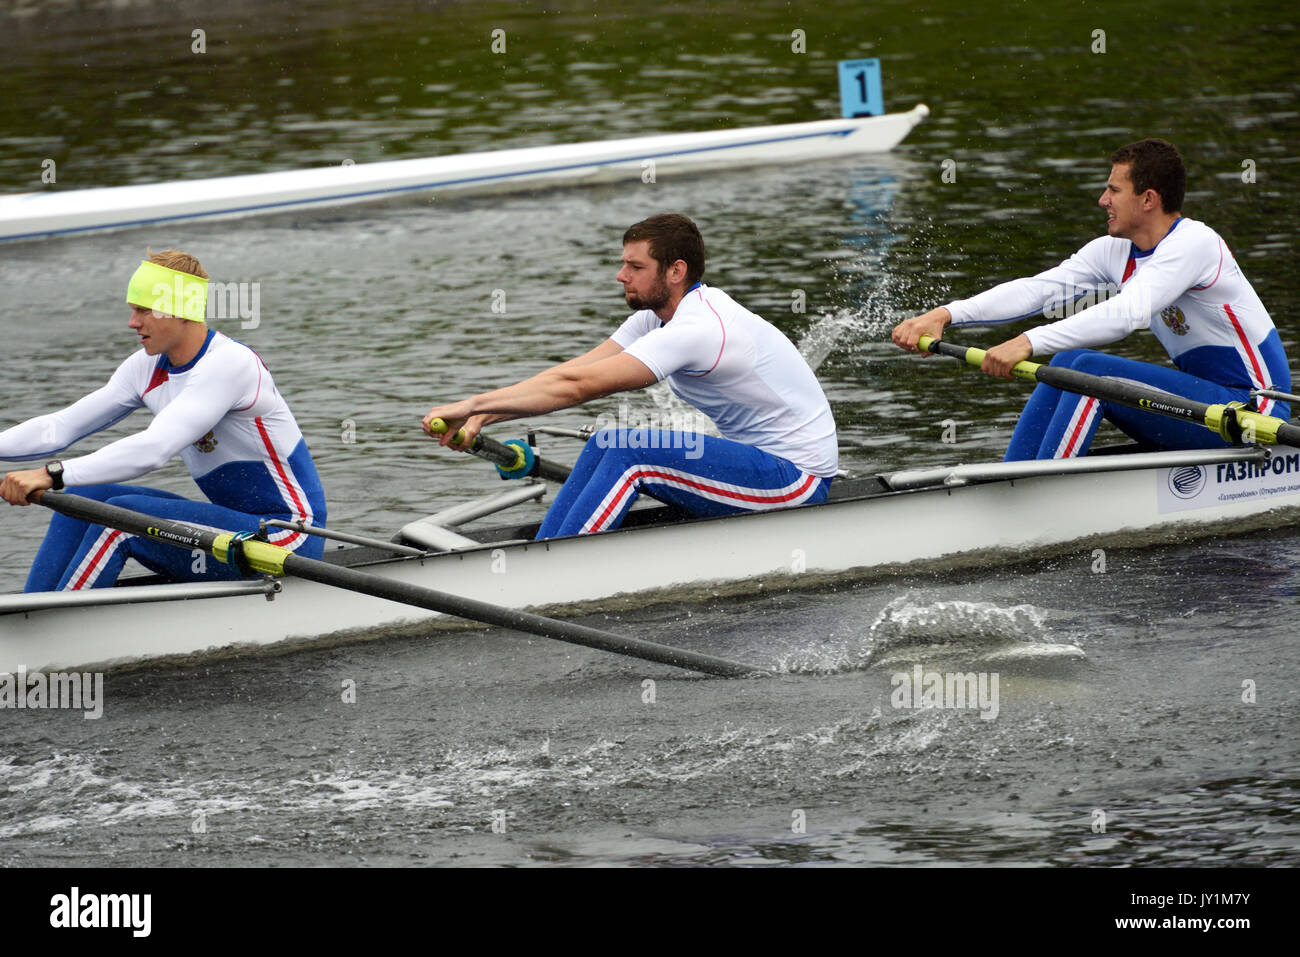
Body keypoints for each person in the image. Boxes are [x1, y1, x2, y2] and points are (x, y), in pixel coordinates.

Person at [422, 213, 837, 538]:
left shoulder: (699, 328)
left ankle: (552, 570)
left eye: (635, 266)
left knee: (629, 452)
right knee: (606, 441)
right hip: (761, 463)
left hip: (796, 481)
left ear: (675, 271)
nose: (621, 276)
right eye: (623, 264)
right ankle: (546, 548)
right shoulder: (654, 318)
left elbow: (578, 389)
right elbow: (572, 373)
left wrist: (472, 405)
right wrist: (482, 416)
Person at [892, 138, 1291, 460]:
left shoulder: (1195, 244)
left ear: (1148, 199)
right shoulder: (1114, 251)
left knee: (1089, 372)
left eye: (1114, 190)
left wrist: (1026, 342)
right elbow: (1038, 289)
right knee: (1067, 363)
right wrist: (945, 314)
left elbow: (1126, 314)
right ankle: (1013, 478)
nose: (1103, 200)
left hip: (1253, 412)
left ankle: (1042, 492)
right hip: (1203, 406)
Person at [0, 249, 327, 592]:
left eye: (143, 310)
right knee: (88, 495)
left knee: (120, 521)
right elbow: (58, 428)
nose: (132, 322)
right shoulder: (146, 367)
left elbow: (153, 449)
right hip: (235, 531)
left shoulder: (230, 364)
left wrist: (51, 474)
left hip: (285, 537)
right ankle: (32, 609)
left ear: (180, 309)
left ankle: (56, 621)